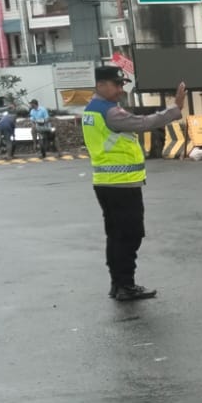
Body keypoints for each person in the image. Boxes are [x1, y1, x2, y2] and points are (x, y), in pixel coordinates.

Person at [82, 67, 187, 302]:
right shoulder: (109, 112)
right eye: (116, 84)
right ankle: (125, 286)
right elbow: (143, 123)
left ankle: (118, 284)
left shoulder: (92, 109)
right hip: (121, 185)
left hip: (106, 183)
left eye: (122, 85)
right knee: (130, 236)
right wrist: (175, 109)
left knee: (116, 236)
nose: (121, 90)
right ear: (100, 85)